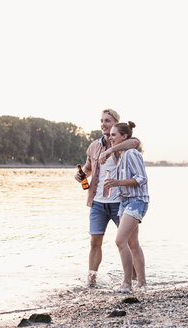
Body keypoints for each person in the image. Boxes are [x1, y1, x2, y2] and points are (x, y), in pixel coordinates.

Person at [75, 109, 140, 287]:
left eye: (108, 121)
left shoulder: (124, 142)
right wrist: (81, 175)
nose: (103, 124)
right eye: (102, 121)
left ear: (116, 124)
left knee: (129, 242)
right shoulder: (93, 146)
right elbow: (88, 168)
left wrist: (111, 149)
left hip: (122, 201)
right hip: (97, 202)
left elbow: (135, 142)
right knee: (95, 242)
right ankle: (91, 281)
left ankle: (134, 280)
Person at [104, 121, 149, 293]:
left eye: (113, 135)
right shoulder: (122, 156)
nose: (110, 138)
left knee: (120, 241)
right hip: (125, 201)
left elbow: (141, 178)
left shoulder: (131, 153)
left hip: (137, 201)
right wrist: (114, 187)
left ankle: (127, 284)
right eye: (110, 135)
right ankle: (142, 284)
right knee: (132, 243)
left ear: (124, 136)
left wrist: (117, 182)